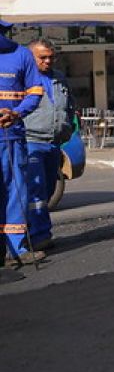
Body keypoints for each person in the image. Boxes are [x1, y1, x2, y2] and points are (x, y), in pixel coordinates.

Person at [0, 18, 46, 267]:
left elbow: (35, 91)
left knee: (14, 191)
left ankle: (15, 248)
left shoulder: (21, 56)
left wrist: (16, 113)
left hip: (10, 137)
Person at [23, 38, 75, 251]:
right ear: (30, 57)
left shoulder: (60, 79)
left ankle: (36, 232)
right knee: (35, 191)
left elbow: (69, 106)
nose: (47, 61)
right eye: (42, 57)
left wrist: (69, 127)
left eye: (51, 57)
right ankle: (38, 237)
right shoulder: (22, 79)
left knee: (48, 191)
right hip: (30, 141)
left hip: (53, 143)